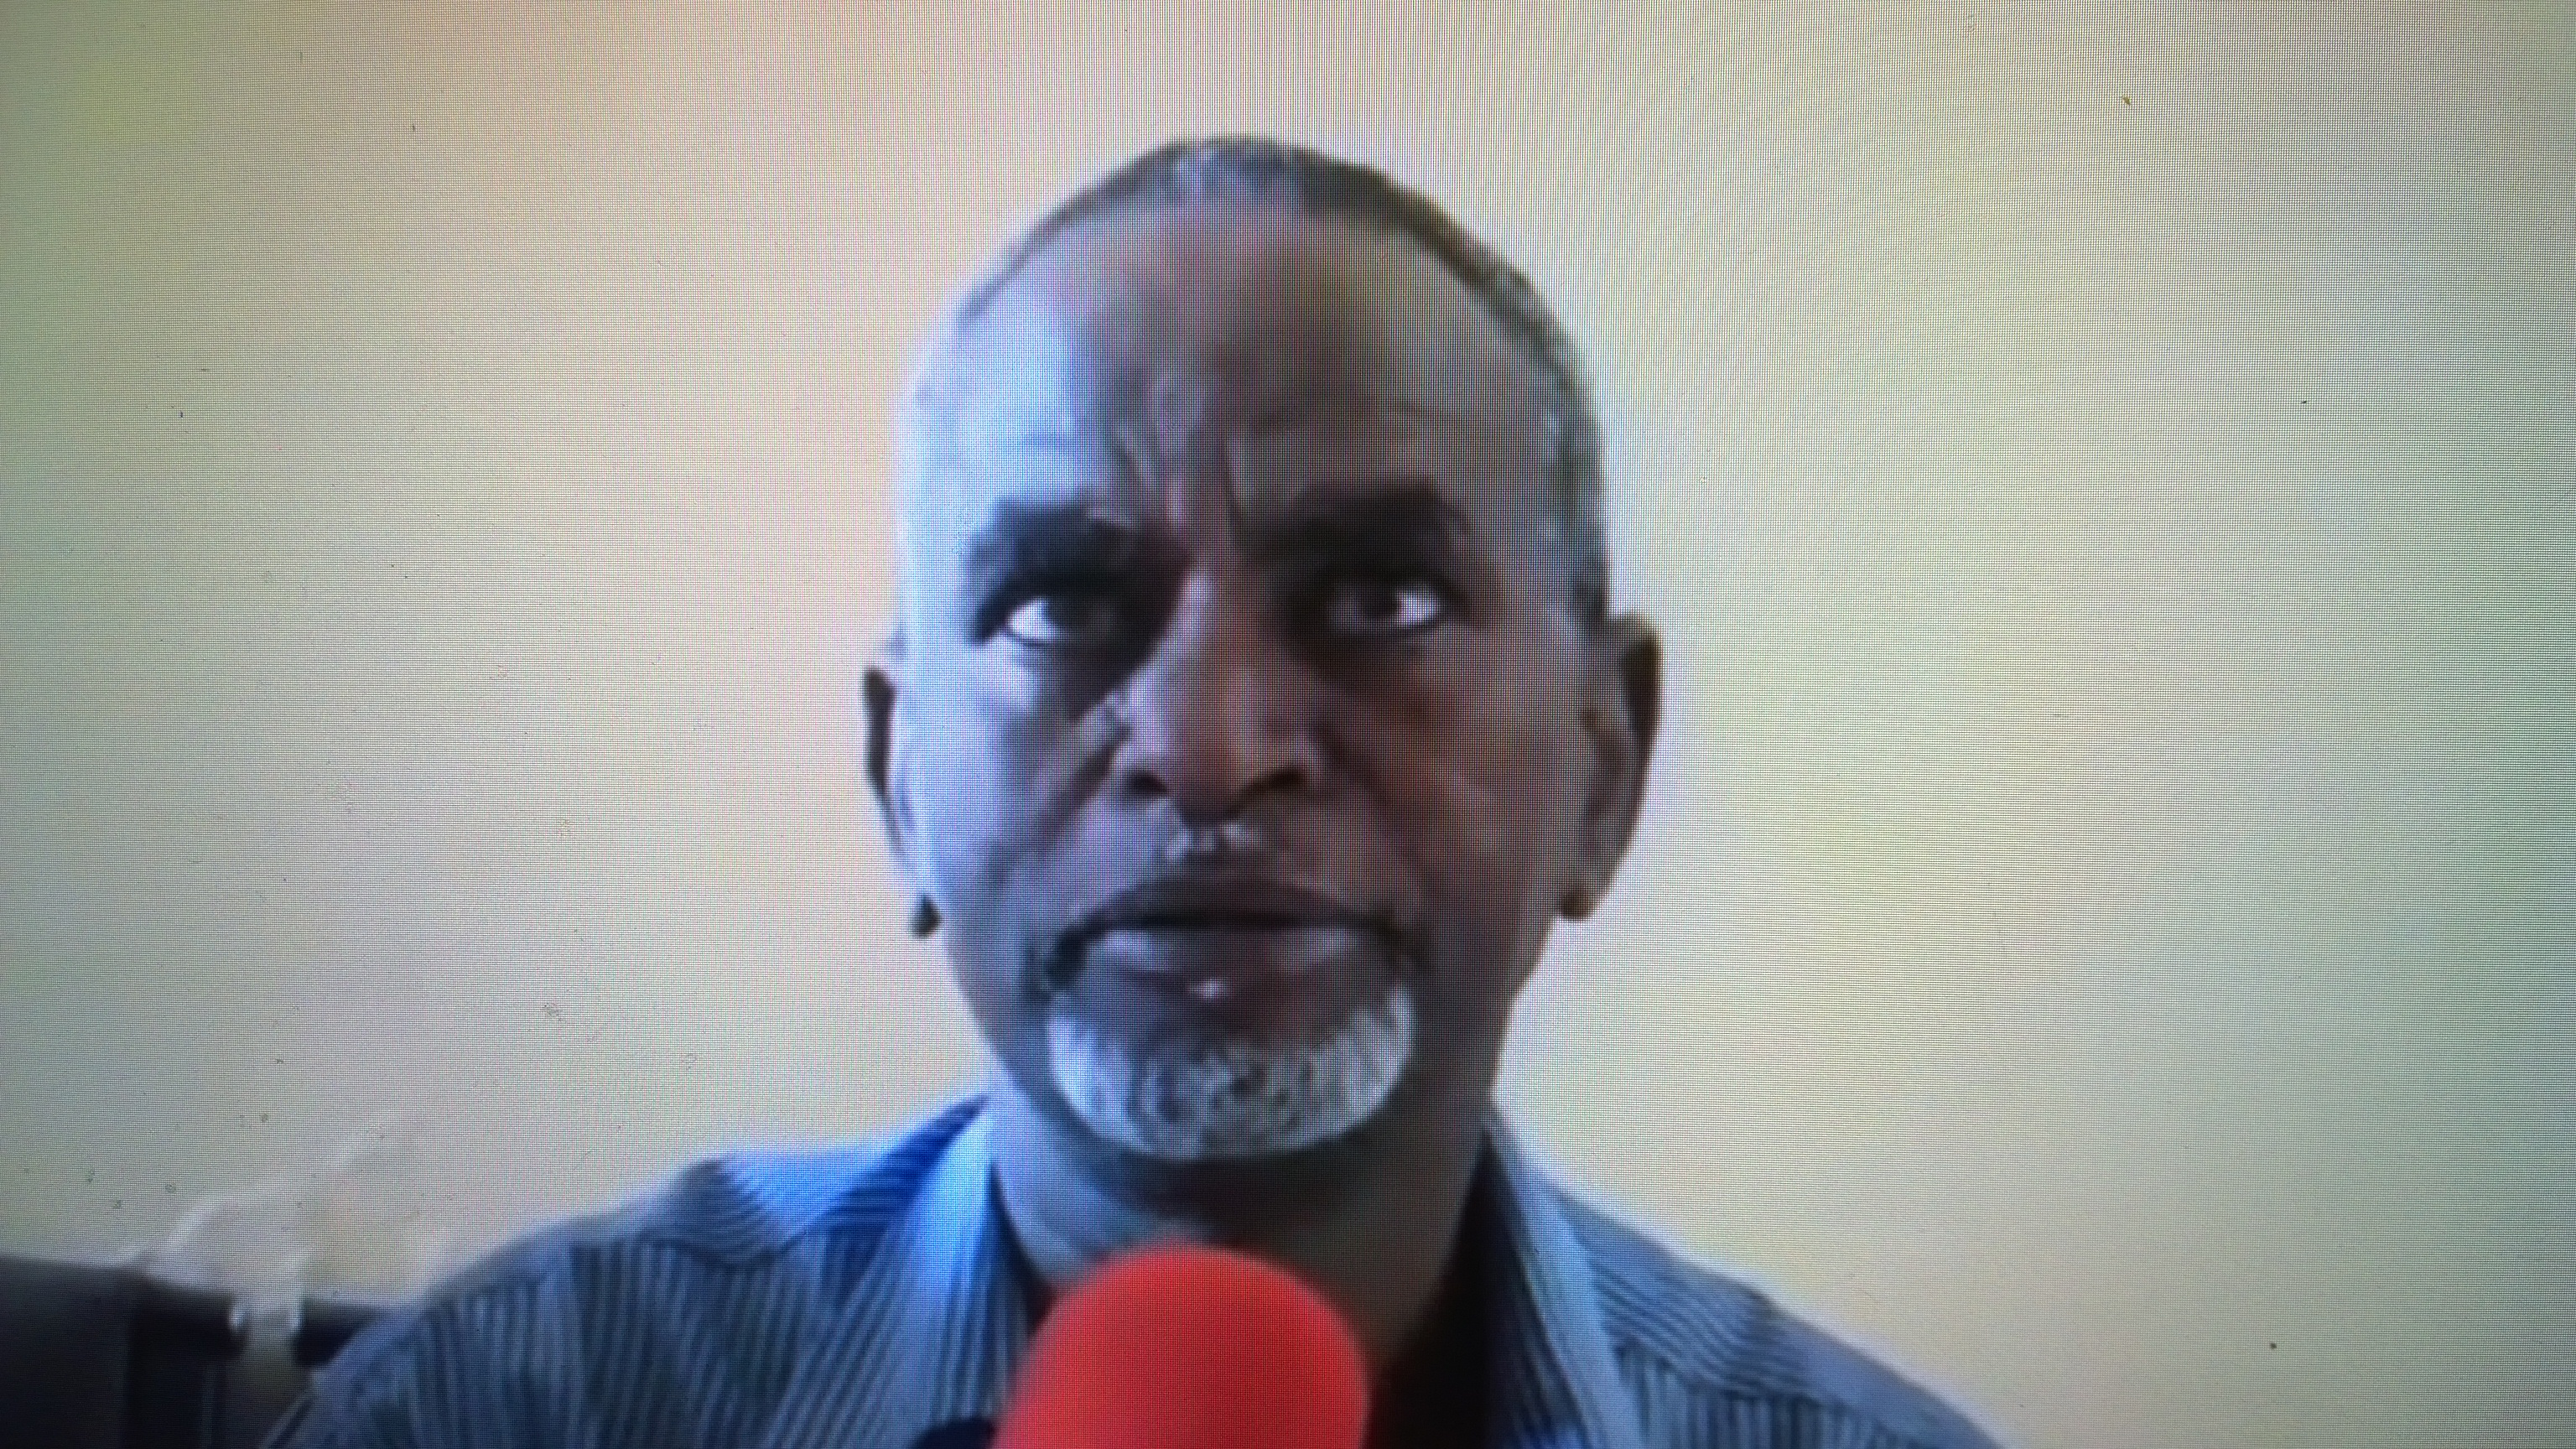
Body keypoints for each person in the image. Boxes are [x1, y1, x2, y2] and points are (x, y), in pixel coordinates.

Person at [268, 137, 1999, 1449]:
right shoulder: (499, 1411)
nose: (1210, 747)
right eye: (1060, 606)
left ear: (1601, 767)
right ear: (901, 781)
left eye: (1379, 596)